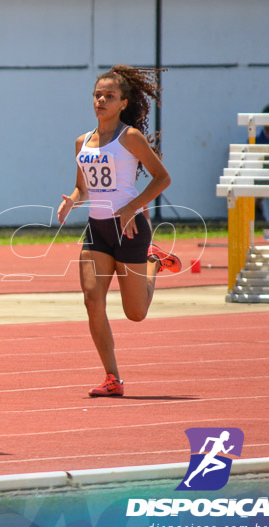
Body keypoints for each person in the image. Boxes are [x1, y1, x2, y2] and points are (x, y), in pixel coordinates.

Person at [56, 65, 182, 399]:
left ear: (123, 103)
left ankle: (152, 260)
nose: (101, 100)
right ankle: (112, 377)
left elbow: (162, 178)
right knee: (91, 299)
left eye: (109, 96)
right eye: (97, 95)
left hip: (130, 229)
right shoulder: (82, 142)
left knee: (135, 313)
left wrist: (131, 207)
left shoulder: (130, 138)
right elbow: (82, 188)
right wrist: (72, 199)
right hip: (97, 230)